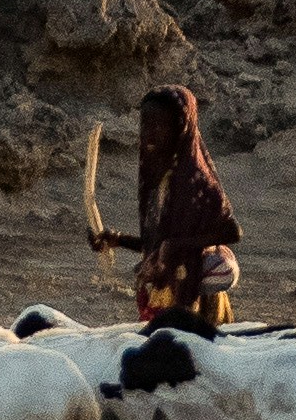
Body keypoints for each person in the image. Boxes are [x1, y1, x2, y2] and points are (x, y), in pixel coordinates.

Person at [87, 79, 242, 327]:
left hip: (196, 301)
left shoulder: (195, 179)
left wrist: (176, 245)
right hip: (166, 293)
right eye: (145, 124)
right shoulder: (157, 179)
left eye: (159, 125)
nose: (149, 133)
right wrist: (116, 240)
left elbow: (231, 231)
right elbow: (157, 245)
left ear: (181, 127)